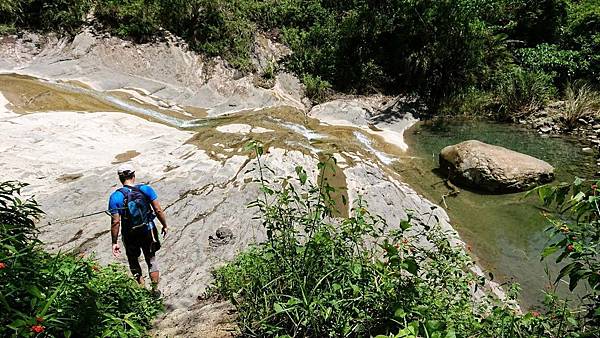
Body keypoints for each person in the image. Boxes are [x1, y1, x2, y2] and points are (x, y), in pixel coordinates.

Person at [108, 163, 168, 296]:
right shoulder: (146, 189)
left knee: (133, 261)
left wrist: (114, 242)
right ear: (134, 175)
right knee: (151, 259)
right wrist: (164, 224)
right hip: (148, 230)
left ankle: (141, 291)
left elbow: (115, 222)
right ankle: (155, 290)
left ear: (120, 178)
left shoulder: (115, 197)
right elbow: (158, 210)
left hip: (129, 234)